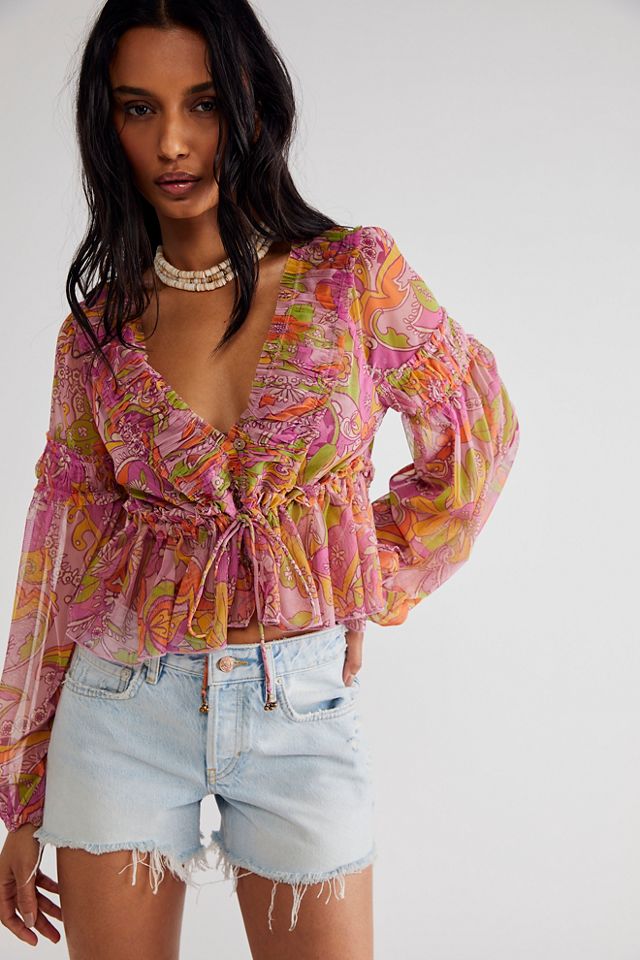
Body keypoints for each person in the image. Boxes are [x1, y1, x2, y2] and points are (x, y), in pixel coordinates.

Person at [0, 1, 520, 957]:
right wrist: (21, 796)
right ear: (107, 126)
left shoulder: (353, 277)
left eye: (202, 103)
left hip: (300, 711)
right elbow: (57, 558)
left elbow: (477, 435)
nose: (173, 142)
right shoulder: (98, 334)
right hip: (117, 712)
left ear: (251, 106)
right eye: (139, 108)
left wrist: (365, 573)